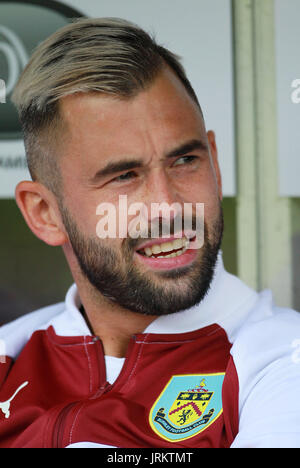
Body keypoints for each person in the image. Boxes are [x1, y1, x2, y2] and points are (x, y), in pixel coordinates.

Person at [0, 17, 299, 449]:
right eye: (124, 175)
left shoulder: (284, 356)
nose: (169, 207)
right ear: (45, 212)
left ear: (214, 161)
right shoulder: (10, 353)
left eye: (184, 161)